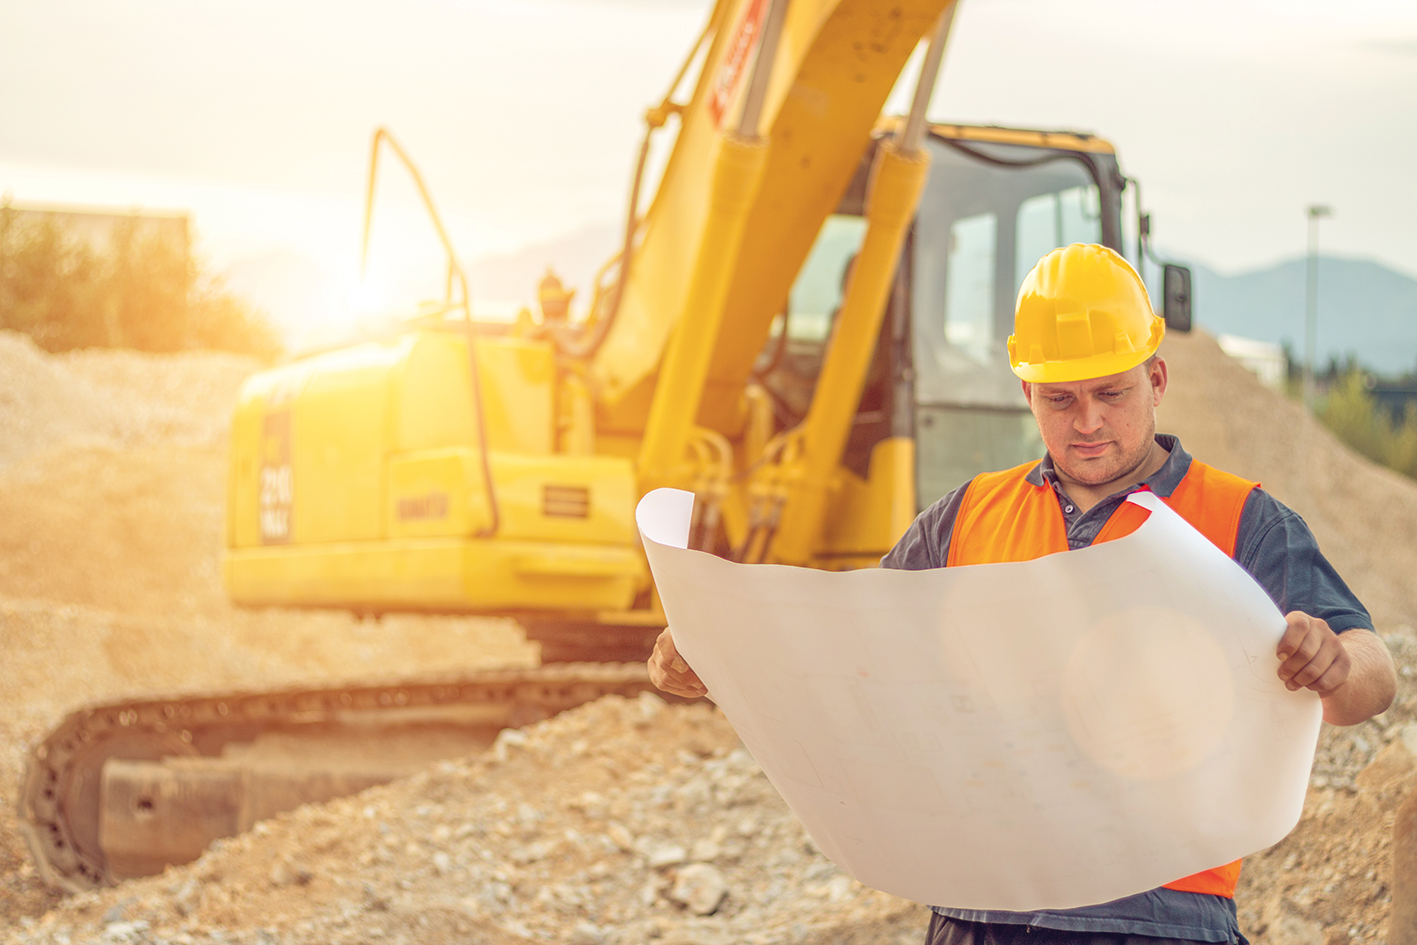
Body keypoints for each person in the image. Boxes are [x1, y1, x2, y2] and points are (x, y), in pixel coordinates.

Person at [648, 243, 1397, 945]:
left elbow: (1373, 676)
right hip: (983, 907)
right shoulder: (965, 518)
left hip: (1160, 914)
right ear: (1025, 392)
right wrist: (711, 649)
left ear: (1157, 379)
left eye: (1111, 391)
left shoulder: (1242, 519)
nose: (1089, 420)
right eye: (1060, 398)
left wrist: (1335, 663)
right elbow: (847, 655)